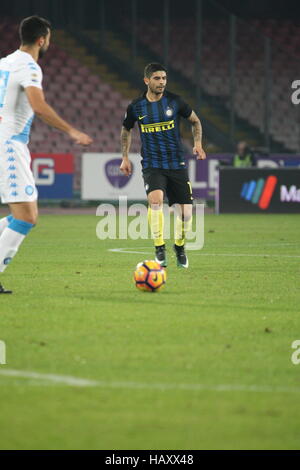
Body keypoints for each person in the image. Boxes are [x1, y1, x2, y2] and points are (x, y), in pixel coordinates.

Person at [0, 16, 92, 293]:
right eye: (48, 38)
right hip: (10, 145)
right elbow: (38, 107)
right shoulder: (29, 66)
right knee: (26, 216)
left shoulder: (4, 62)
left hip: (5, 141)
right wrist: (71, 131)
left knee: (22, 214)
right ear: (42, 39)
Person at [120, 63, 206, 268]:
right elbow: (126, 130)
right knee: (156, 201)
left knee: (185, 213)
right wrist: (124, 157)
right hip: (152, 164)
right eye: (157, 78)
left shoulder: (175, 101)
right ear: (147, 80)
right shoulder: (136, 106)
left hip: (176, 163)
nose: (162, 82)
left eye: (164, 78)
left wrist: (198, 144)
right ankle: (159, 247)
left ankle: (180, 247)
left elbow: (195, 121)